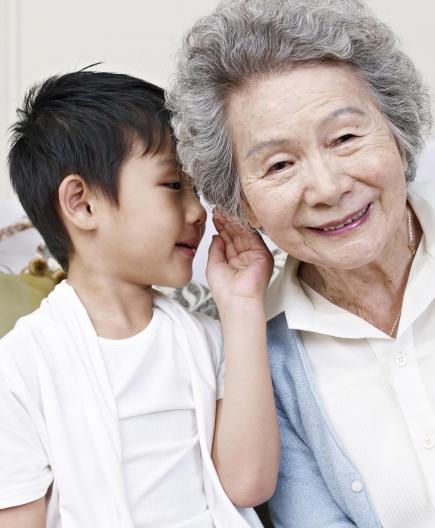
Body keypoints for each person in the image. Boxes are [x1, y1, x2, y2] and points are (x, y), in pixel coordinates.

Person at [169, 0, 435, 526]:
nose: (329, 188)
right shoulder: (261, 358)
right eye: (280, 164)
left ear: (398, 133)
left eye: (346, 138)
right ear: (240, 202)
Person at [0, 69, 279, 528]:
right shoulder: (21, 366)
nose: (197, 212)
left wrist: (244, 308)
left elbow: (247, 486)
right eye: (174, 186)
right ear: (82, 204)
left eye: (197, 190)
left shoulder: (212, 340)